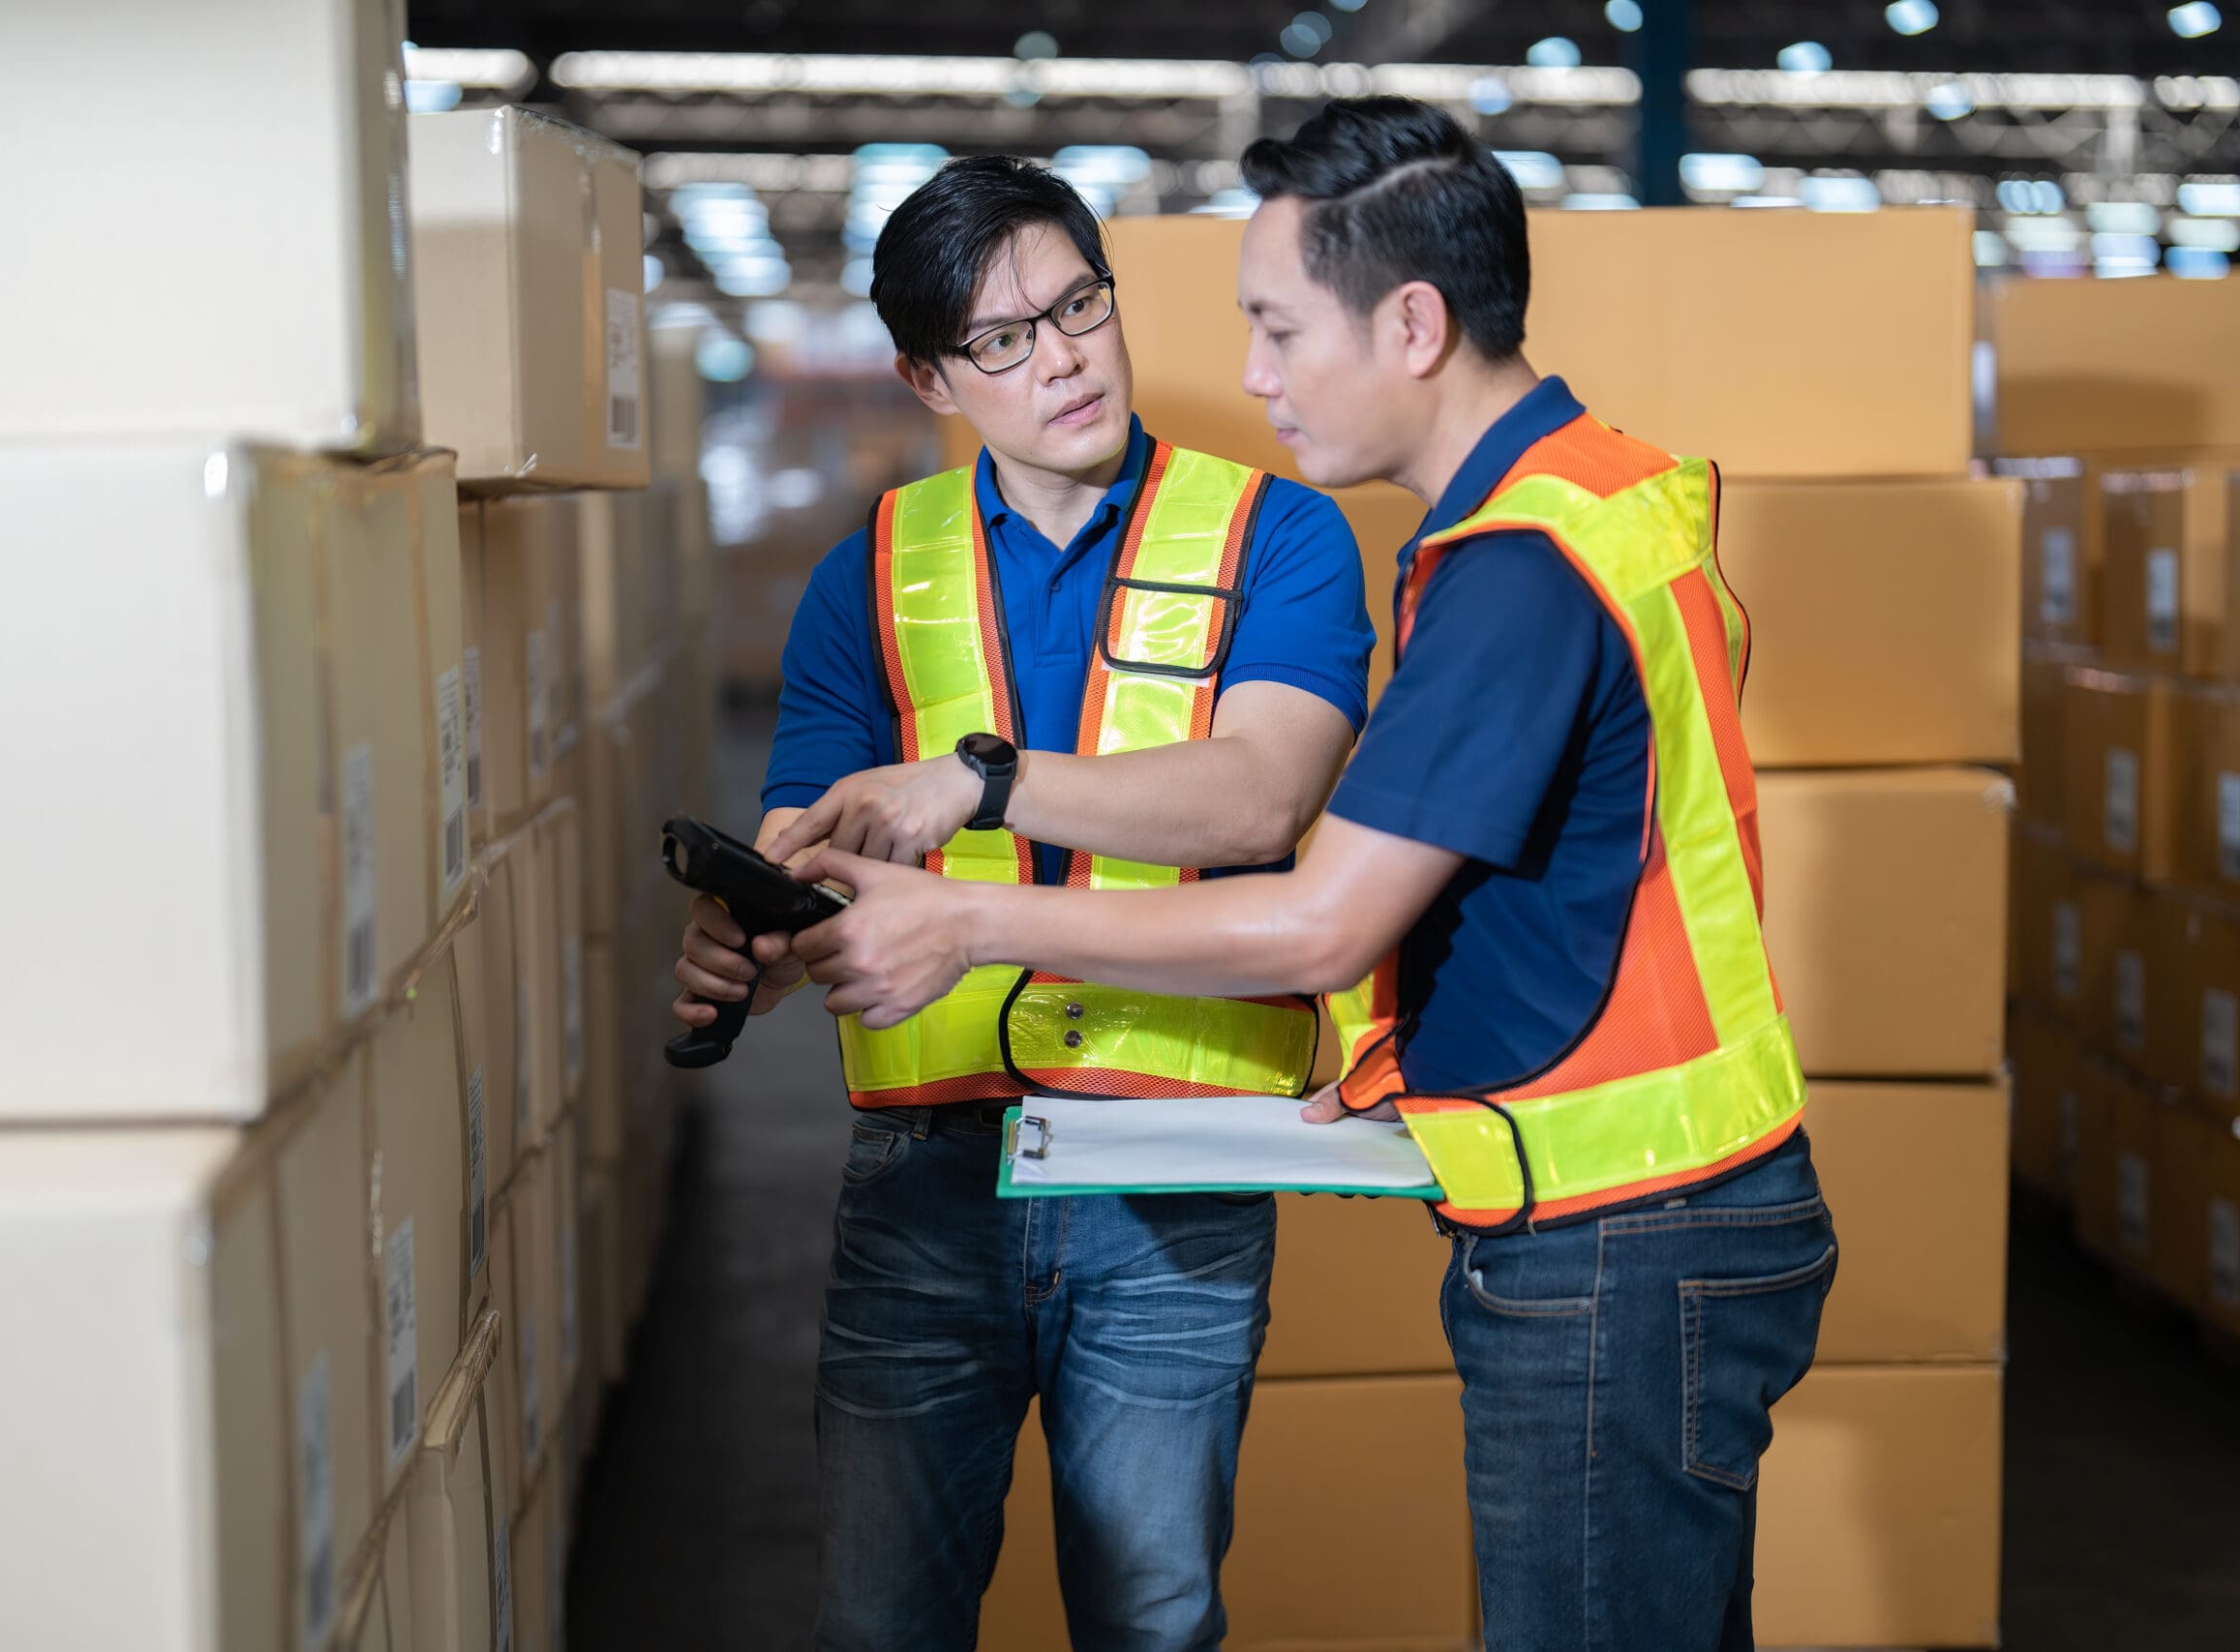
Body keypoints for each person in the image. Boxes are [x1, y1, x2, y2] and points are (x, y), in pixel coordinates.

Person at [788, 99, 1837, 1652]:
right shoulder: (1590, 498)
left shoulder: (1511, 570)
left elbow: (1321, 912)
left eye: (1275, 329)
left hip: (1615, 1223)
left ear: (1411, 324)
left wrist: (970, 894)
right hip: (1642, 1202)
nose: (1254, 377)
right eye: (1006, 340)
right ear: (933, 379)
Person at [669, 155, 1375, 1650]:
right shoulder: (871, 570)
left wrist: (981, 783)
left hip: (1173, 1185)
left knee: (1153, 1622)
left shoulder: (1280, 538)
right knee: (881, 1622)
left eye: (1077, 307)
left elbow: (1258, 795)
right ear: (931, 377)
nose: (1060, 358)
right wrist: (764, 939)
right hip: (927, 1187)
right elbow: (819, 836)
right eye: (1002, 341)